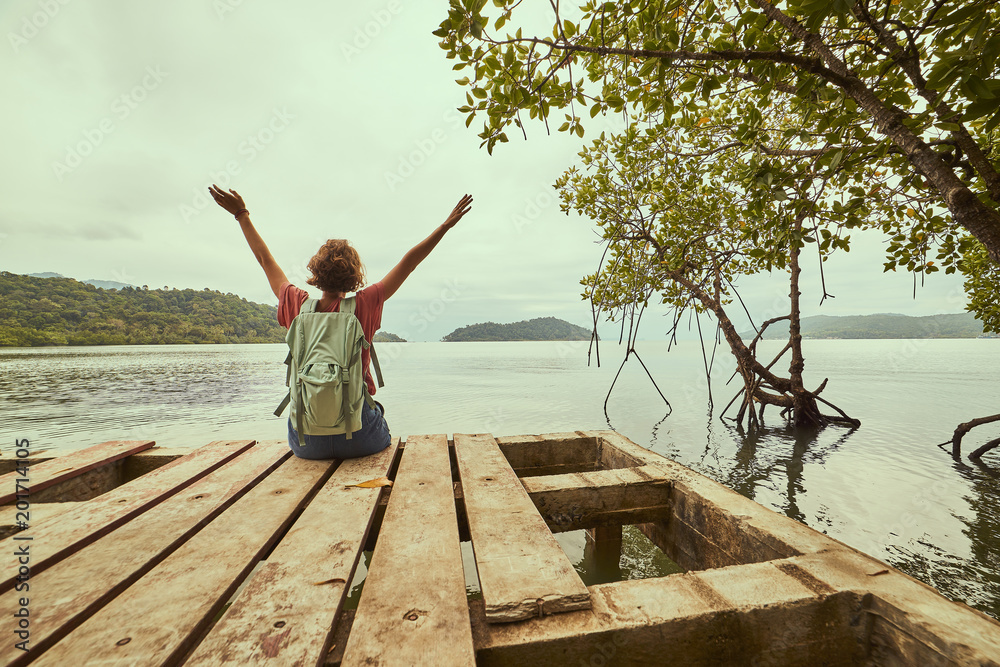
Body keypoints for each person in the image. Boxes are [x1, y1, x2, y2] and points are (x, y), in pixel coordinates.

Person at [209, 184, 473, 460]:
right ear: (355, 275)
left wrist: (241, 214)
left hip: (306, 444)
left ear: (315, 272)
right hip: (361, 439)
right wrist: (445, 226)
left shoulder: (296, 304)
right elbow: (409, 262)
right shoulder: (365, 304)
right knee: (377, 409)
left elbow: (264, 260)